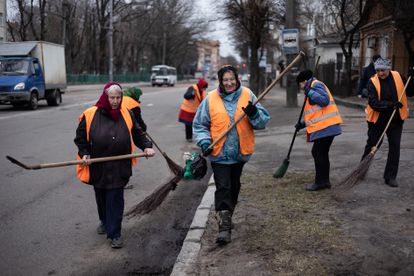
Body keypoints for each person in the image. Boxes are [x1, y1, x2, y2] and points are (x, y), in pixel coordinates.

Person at [193, 65, 270, 244]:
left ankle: (227, 216)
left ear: (237, 79)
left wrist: (254, 114)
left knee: (234, 187)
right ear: (220, 81)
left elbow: (262, 123)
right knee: (223, 188)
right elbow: (199, 125)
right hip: (219, 154)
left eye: (231, 79)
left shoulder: (248, 95)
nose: (229, 83)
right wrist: (205, 141)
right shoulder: (210, 99)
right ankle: (224, 228)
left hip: (240, 153)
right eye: (225, 80)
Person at [74, 82, 155, 248]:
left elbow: (138, 133)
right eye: (112, 98)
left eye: (118, 97)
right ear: (106, 96)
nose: (116, 101)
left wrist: (146, 146)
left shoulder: (127, 113)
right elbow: (81, 138)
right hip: (98, 164)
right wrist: (85, 153)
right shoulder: (90, 114)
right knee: (102, 196)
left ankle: (115, 233)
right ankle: (104, 221)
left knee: (116, 199)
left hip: (120, 164)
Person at [361, 57, 413, 187]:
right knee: (372, 145)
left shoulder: (398, 76)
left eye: (383, 70)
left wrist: (413, 80)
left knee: (395, 147)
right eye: (378, 70)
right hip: (377, 122)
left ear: (389, 69)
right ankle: (361, 171)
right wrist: (391, 105)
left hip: (396, 121)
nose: (380, 73)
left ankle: (390, 177)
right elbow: (374, 103)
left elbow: (410, 92)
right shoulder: (372, 82)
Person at [295, 70, 343, 191]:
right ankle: (324, 181)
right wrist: (301, 124)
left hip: (326, 126)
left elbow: (324, 101)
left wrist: (309, 91)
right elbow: (314, 112)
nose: (300, 87)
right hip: (325, 126)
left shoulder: (315, 85)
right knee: (321, 153)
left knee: (317, 152)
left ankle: (321, 182)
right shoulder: (311, 88)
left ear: (304, 81)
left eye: (300, 84)